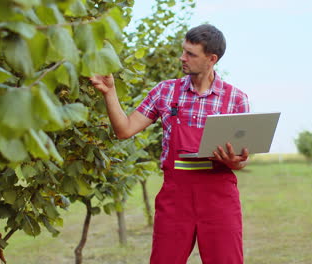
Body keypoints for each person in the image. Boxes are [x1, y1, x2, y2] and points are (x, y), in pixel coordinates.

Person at [90, 24, 249, 264]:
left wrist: (232, 161)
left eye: (190, 54)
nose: (182, 58)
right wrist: (109, 92)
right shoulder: (164, 92)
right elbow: (124, 130)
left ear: (211, 59)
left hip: (219, 201)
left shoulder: (235, 99)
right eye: (183, 51)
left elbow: (240, 163)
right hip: (175, 201)